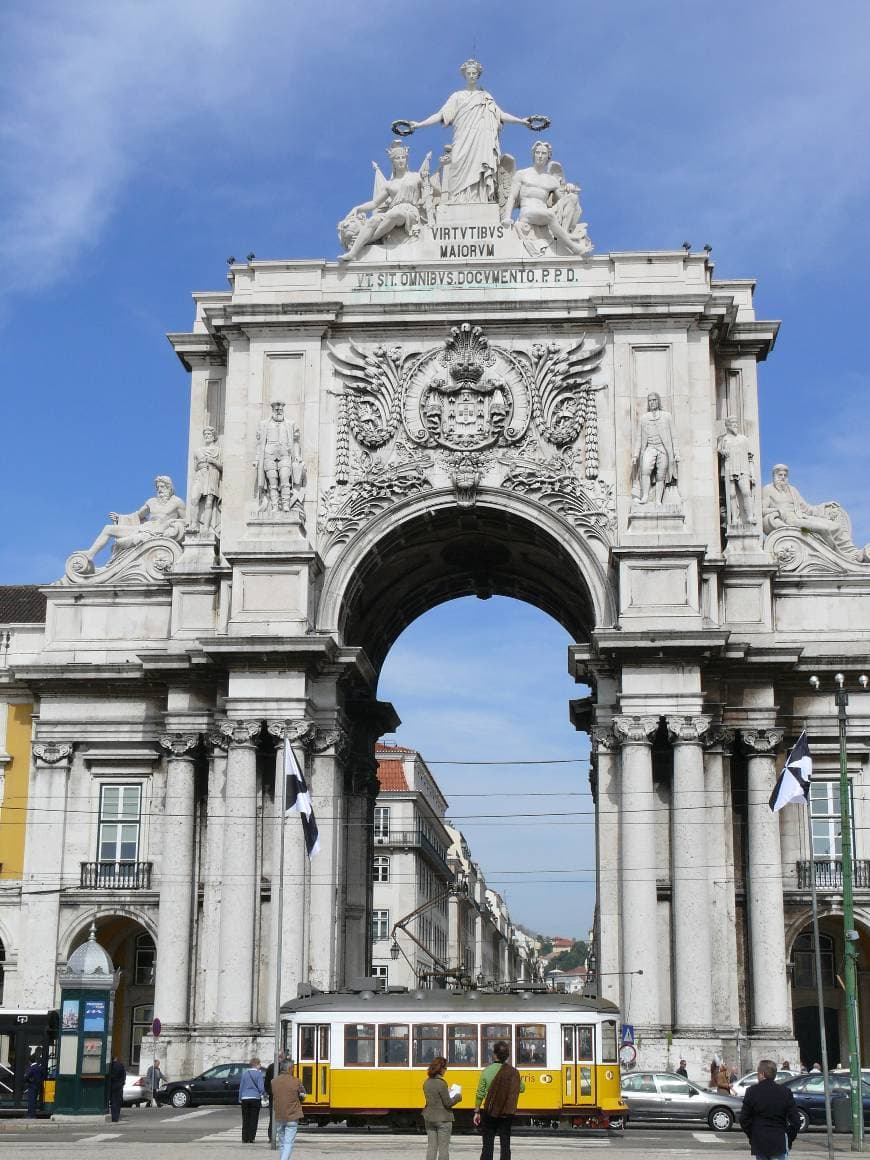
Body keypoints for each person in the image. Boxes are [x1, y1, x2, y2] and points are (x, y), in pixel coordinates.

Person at [401, 60, 541, 204]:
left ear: (478, 75)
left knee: (481, 166)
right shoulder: (457, 96)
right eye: (469, 73)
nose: (472, 76)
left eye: (474, 73)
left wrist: (522, 121)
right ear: (465, 75)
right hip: (462, 137)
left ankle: (481, 199)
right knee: (457, 163)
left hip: (482, 138)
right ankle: (456, 199)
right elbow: (441, 115)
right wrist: (419, 125)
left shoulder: (485, 96)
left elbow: (500, 114)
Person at [339, 141, 428, 262]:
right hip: (394, 209)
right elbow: (375, 203)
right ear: (393, 162)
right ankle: (353, 253)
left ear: (406, 160)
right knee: (373, 220)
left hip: (409, 212)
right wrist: (358, 208)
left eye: (403, 157)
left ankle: (368, 240)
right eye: (397, 158)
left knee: (394, 215)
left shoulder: (416, 177)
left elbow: (430, 191)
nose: (401, 160)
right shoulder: (389, 184)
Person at [762, 463, 867, 561]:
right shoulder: (768, 490)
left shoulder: (792, 490)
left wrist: (824, 506)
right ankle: (841, 556)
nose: (783, 478)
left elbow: (807, 508)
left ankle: (853, 552)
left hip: (801, 517)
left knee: (835, 526)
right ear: (774, 475)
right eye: (780, 475)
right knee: (824, 529)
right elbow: (762, 511)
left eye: (785, 475)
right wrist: (777, 510)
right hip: (791, 522)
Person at [501, 141, 588, 254]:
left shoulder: (552, 180)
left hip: (545, 212)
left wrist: (568, 188)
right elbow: (512, 197)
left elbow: (563, 202)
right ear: (533, 154)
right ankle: (572, 245)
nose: (540, 156)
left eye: (543, 153)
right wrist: (507, 218)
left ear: (548, 157)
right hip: (528, 212)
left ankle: (563, 233)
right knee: (550, 215)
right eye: (537, 153)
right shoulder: (522, 174)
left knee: (572, 198)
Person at [85, 476, 186, 561]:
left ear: (169, 487)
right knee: (108, 528)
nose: (159, 490)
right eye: (158, 487)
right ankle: (90, 554)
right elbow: (137, 515)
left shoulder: (177, 502)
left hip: (158, 533)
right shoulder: (151, 501)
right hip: (144, 529)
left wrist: (173, 522)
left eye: (162, 487)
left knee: (121, 542)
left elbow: (187, 521)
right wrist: (119, 517)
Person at [739, 1058, 801, 1160]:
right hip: (779, 1139)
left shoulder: (752, 1092)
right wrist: (788, 1138)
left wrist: (752, 1134)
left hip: (759, 1140)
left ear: (762, 1074)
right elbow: (796, 1121)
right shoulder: (785, 1092)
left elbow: (744, 1119)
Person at [473, 1040, 524, 1160]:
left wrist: (476, 1111)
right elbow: (521, 1088)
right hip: (506, 1112)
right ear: (507, 1056)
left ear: (494, 1054)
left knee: (488, 1143)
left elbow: (480, 1093)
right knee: (505, 1142)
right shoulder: (513, 1072)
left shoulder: (487, 1071)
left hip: (490, 1111)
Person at [255, 402, 304, 514]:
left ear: (282, 410)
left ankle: (286, 504)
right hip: (269, 455)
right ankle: (275, 506)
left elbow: (296, 441)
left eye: (280, 409)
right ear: (272, 410)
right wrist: (257, 459)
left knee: (285, 478)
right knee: (272, 481)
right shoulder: (264, 424)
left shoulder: (290, 424)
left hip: (285, 455)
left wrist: (297, 456)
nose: (278, 411)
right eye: (276, 409)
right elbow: (260, 443)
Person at [632, 392, 679, 505]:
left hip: (663, 449)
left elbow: (674, 436)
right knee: (645, 469)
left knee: (661, 474)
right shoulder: (644, 418)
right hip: (650, 447)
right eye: (650, 400)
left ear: (658, 401)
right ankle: (645, 497)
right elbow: (639, 438)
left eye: (654, 400)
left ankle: (658, 500)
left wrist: (676, 452)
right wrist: (635, 455)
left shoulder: (666, 416)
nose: (652, 402)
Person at [718, 416, 756, 526]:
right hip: (729, 468)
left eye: (736, 423)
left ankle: (750, 516)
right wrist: (722, 451)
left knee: (746, 492)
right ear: (727, 425)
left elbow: (750, 458)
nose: (735, 425)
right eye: (732, 423)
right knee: (731, 494)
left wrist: (753, 474)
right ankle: (734, 518)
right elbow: (719, 449)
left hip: (743, 468)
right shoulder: (723, 439)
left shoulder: (744, 439)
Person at [423, 1055, 461, 1160]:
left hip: (429, 1118)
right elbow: (448, 1103)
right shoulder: (441, 1083)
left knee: (431, 1147)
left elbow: (434, 1098)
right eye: (445, 1068)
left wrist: (446, 1092)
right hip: (443, 1120)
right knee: (443, 1149)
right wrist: (457, 1097)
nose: (446, 1071)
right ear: (441, 1069)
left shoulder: (426, 1082)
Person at [271, 1058, 306, 1160]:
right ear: (290, 1068)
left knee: (282, 1143)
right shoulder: (296, 1081)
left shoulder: (274, 1081)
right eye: (293, 1068)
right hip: (292, 1115)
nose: (294, 1070)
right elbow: (303, 1095)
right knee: (288, 1143)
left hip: (279, 1115)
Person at [190, 427, 222, 532]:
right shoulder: (197, 451)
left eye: (209, 434)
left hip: (212, 473)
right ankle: (193, 524)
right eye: (205, 434)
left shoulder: (218, 451)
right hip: (200, 475)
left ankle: (206, 527)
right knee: (194, 499)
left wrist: (212, 460)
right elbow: (195, 467)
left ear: (214, 437)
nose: (207, 436)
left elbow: (223, 467)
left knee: (209, 502)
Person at [238, 1056, 265, 1143]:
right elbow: (261, 1088)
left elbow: (241, 1087)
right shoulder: (259, 1074)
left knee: (245, 1119)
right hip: (255, 1098)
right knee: (254, 1119)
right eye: (259, 1064)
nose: (260, 1066)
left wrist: (240, 1098)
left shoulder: (245, 1073)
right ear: (256, 1064)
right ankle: (251, 1138)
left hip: (245, 1098)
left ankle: (244, 1138)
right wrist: (263, 1094)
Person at [264, 1050, 287, 1142]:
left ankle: (271, 1137)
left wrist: (270, 1092)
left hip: (273, 1096)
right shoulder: (286, 1067)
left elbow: (266, 1083)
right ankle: (281, 1137)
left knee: (272, 1117)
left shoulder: (271, 1067)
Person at [24, 1053, 45, 1118]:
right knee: (34, 1100)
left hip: (32, 1086)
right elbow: (43, 1075)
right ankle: (31, 1114)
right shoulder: (39, 1067)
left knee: (31, 1100)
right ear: (35, 1060)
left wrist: (28, 1081)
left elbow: (26, 1077)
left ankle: (31, 1115)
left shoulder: (31, 1068)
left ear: (29, 1061)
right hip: (37, 1086)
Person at [108, 1055, 126, 1122]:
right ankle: (116, 1117)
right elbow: (124, 1076)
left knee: (113, 1102)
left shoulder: (110, 1066)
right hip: (119, 1086)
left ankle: (113, 1116)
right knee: (118, 1102)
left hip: (112, 1085)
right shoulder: (120, 1065)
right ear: (116, 1058)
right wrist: (122, 1083)